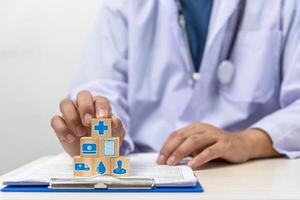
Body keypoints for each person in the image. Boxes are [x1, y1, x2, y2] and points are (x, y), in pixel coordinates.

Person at [51, 0, 300, 169]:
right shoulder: (124, 6)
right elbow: (101, 86)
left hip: (251, 173)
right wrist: (97, 126)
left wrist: (247, 141)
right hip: (149, 170)